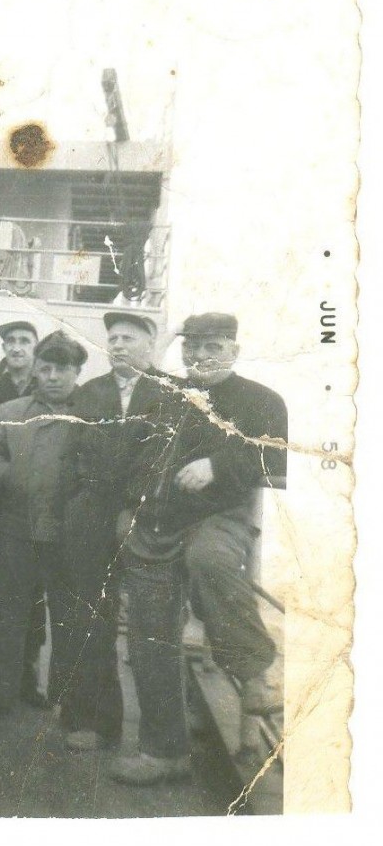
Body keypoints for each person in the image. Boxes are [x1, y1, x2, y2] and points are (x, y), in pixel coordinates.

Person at [110, 312, 288, 786]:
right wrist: (127, 511)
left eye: (214, 347)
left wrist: (220, 462)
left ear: (235, 349)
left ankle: (255, 675)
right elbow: (134, 450)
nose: (201, 356)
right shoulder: (166, 394)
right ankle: (164, 753)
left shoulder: (263, 400)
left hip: (218, 518)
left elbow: (273, 461)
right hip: (155, 524)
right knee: (149, 640)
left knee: (209, 561)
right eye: (193, 347)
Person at [0, 331, 86, 715]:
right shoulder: (10, 412)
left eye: (62, 369)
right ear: (35, 369)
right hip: (17, 527)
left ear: (77, 371)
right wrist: (10, 476)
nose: (52, 376)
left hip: (69, 531)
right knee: (7, 611)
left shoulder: (93, 413)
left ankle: (68, 700)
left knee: (68, 615)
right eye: (44, 368)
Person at [58, 311, 165, 751]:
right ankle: (95, 721)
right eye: (113, 338)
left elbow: (162, 455)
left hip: (147, 516)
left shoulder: (172, 394)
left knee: (153, 624)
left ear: (149, 345)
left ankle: (162, 739)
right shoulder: (90, 393)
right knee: (90, 615)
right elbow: (71, 456)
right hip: (92, 515)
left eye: (128, 338)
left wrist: (134, 504)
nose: (117, 345)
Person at [0, 320, 51, 706]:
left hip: (38, 514)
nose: (17, 347)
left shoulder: (52, 393)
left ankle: (28, 675)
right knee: (4, 595)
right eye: (11, 342)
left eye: (25, 341)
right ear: (3, 348)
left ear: (36, 349)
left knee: (36, 595)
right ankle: (0, 682)